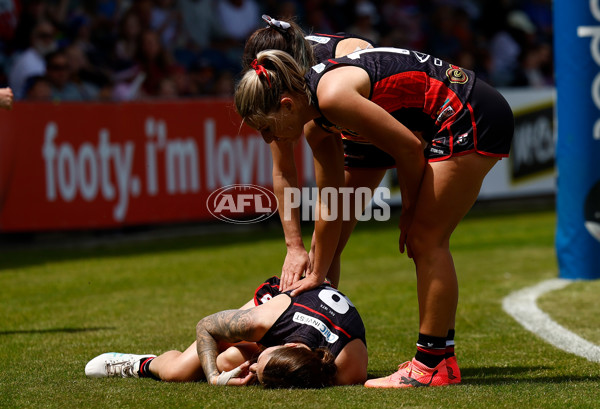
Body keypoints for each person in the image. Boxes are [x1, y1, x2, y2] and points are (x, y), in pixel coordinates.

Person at [234, 40, 514, 387]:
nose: (267, 138)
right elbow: (332, 201)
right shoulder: (317, 122)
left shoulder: (333, 98)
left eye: (266, 128)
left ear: (286, 104)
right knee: (423, 239)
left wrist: (409, 211)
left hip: (468, 113)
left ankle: (429, 368)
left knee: (426, 239)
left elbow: (410, 149)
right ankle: (440, 360)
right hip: (455, 115)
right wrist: (317, 272)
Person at [243, 16, 384, 292]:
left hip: (364, 112)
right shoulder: (280, 82)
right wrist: (293, 247)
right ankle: (314, 316)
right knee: (322, 243)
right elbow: (283, 168)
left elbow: (329, 192)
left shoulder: (331, 74)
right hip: (331, 106)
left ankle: (318, 321)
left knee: (328, 240)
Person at [85, 277, 367, 388]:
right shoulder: (263, 321)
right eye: (261, 357)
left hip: (303, 324)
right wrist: (213, 377)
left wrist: (259, 369)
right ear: (289, 346)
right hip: (283, 299)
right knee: (179, 371)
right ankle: (141, 364)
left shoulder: (346, 368)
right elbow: (206, 326)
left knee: (230, 362)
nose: (254, 362)